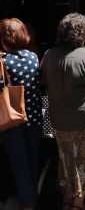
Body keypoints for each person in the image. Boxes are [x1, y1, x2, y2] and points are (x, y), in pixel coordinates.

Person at [41, 13, 85, 210]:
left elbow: (43, 80)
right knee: (83, 161)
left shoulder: (48, 55)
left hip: (59, 119)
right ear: (83, 33)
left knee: (66, 160)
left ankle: (68, 199)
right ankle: (78, 202)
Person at [0, 18, 42, 210]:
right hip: (34, 117)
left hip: (13, 120)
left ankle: (27, 204)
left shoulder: (3, 61)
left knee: (19, 164)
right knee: (33, 161)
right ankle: (34, 198)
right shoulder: (33, 57)